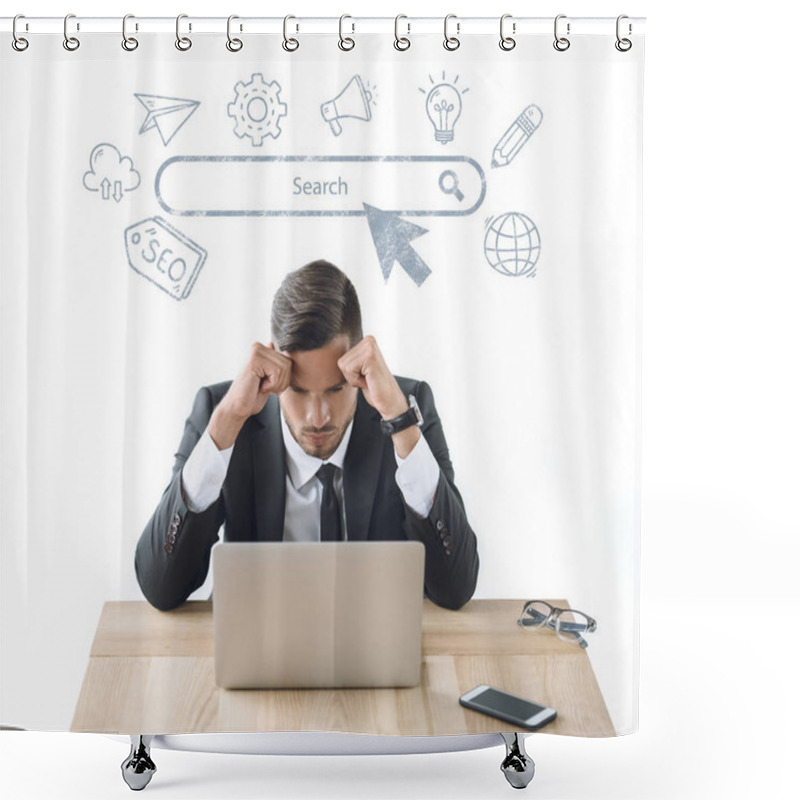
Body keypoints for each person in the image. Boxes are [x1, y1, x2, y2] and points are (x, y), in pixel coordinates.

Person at [135, 259, 479, 611]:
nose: (318, 418)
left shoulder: (406, 407)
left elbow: (456, 586)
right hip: (258, 653)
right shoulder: (222, 414)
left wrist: (400, 422)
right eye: (298, 392)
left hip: (377, 655)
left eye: (336, 389)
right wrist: (226, 423)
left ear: (360, 368)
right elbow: (161, 586)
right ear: (272, 367)